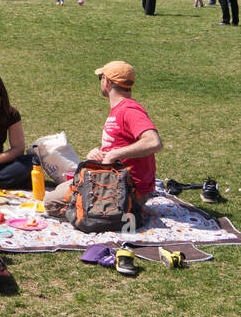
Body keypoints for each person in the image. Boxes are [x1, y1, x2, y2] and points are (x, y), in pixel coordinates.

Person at [44, 61, 163, 220]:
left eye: (100, 77)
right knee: (62, 188)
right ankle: (125, 208)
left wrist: (113, 155)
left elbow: (154, 142)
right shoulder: (120, 108)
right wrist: (101, 154)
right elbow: (121, 146)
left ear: (106, 82)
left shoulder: (129, 110)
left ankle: (124, 209)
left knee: (51, 203)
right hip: (118, 180)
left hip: (126, 187)